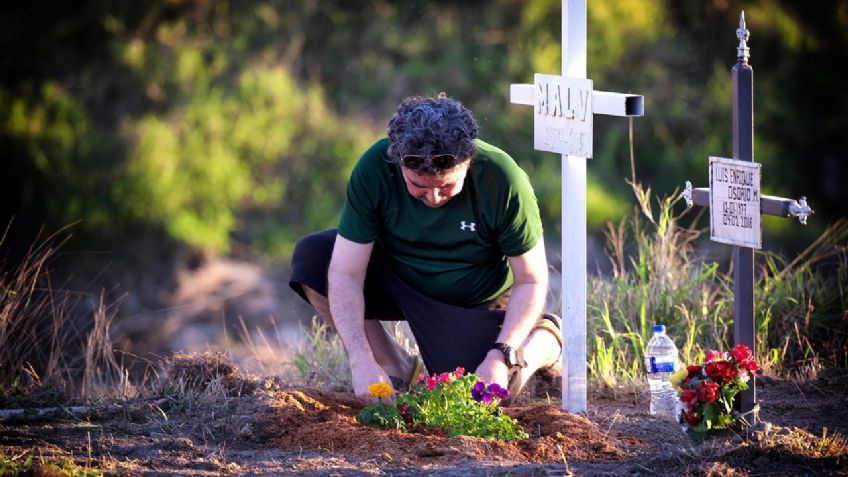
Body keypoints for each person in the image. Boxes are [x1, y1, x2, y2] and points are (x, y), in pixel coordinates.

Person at [289, 93, 562, 404]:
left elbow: (531, 279)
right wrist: (361, 360)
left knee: (485, 393)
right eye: (419, 186)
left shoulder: (504, 178)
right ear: (398, 161)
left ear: (468, 160)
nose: (433, 198)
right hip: (400, 275)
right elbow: (345, 273)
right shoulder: (374, 167)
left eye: (446, 186)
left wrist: (501, 355)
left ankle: (546, 338)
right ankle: (396, 365)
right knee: (314, 259)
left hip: (473, 298)